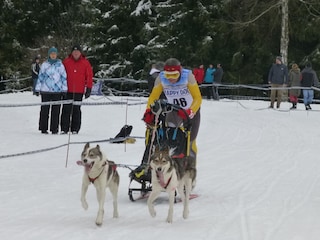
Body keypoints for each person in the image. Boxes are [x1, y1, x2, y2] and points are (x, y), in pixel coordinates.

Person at [143, 57, 202, 162]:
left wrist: (191, 111)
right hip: (174, 111)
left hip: (190, 110)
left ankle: (190, 166)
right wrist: (149, 111)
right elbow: (153, 97)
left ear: (179, 72)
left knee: (190, 140)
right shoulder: (161, 79)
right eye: (168, 75)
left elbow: (197, 97)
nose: (171, 79)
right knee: (169, 137)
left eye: (174, 75)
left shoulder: (188, 76)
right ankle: (172, 162)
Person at [60, 45, 93, 134]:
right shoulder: (66, 62)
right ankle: (64, 128)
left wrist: (89, 88)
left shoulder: (85, 63)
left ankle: (75, 129)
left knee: (76, 110)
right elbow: (60, 75)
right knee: (66, 109)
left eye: (77, 51)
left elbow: (89, 76)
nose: (76, 53)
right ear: (71, 52)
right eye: (74, 51)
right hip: (67, 90)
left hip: (79, 91)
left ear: (80, 52)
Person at [35, 47, 67, 134]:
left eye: (54, 54)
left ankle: (54, 129)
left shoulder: (60, 65)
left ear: (56, 55)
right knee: (45, 110)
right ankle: (43, 128)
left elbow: (64, 78)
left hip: (57, 91)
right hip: (45, 90)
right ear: (49, 55)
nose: (53, 55)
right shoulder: (45, 65)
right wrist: (37, 88)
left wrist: (64, 89)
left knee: (56, 111)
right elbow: (40, 77)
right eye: (51, 54)